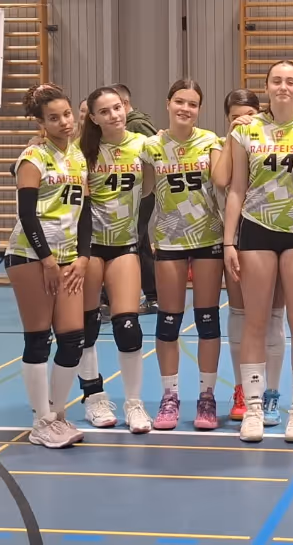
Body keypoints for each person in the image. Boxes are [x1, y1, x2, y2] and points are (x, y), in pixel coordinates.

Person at [224, 60, 293, 443]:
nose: (283, 86)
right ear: (267, 87)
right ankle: (254, 409)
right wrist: (229, 241)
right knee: (255, 321)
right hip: (257, 229)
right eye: (277, 80)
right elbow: (236, 188)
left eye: (291, 81)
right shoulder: (247, 130)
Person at [6, 83, 90, 448]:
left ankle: (56, 414)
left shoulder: (78, 157)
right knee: (39, 338)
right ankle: (41, 421)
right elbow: (27, 214)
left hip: (69, 257)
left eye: (67, 114)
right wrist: (47, 260)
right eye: (54, 118)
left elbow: (85, 212)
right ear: (41, 122)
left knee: (73, 338)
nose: (64, 122)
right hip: (30, 256)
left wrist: (83, 256)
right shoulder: (33, 157)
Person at [140, 79, 225, 431]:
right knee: (168, 321)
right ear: (167, 103)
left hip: (208, 237)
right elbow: (142, 186)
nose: (185, 108)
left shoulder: (211, 141)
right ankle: (170, 396)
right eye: (179, 101)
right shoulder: (150, 146)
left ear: (199, 109)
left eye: (192, 104)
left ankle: (207, 397)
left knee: (207, 321)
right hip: (169, 240)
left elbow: (223, 180)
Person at [75, 86, 153, 433]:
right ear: (93, 117)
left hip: (124, 245)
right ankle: (93, 397)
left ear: (126, 107)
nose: (113, 115)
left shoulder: (144, 145)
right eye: (104, 111)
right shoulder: (82, 151)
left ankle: (134, 403)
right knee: (87, 325)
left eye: (117, 108)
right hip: (89, 247)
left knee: (128, 326)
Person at [210, 89, 287, 426]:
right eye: (234, 117)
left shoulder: (275, 140)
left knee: (274, 316)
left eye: (249, 115)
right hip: (239, 237)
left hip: (276, 233)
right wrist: (233, 135)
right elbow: (222, 179)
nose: (242, 121)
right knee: (242, 316)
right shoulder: (221, 143)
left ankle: (272, 392)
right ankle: (243, 389)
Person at [110, 83, 159, 316]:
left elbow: (156, 154)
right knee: (140, 242)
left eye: (115, 106)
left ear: (124, 103)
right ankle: (153, 295)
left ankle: (111, 298)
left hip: (141, 193)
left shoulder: (137, 126)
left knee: (130, 241)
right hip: (125, 194)